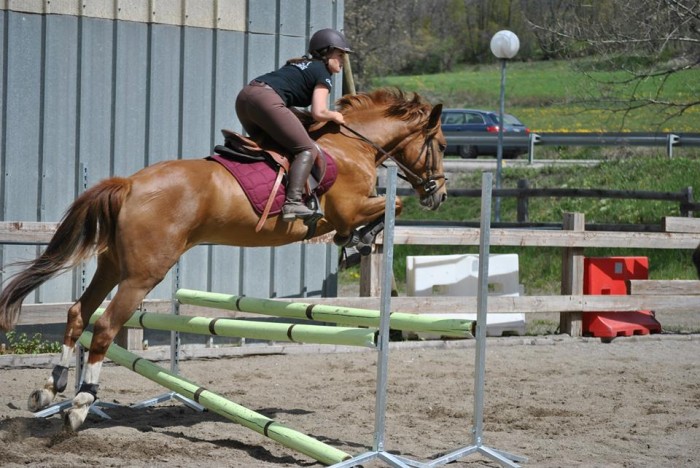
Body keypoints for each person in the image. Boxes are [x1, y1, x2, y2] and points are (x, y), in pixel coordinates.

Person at [235, 28, 352, 222]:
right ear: (326, 52)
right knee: (306, 149)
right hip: (266, 100)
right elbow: (319, 112)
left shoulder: (303, 65)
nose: (342, 60)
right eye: (339, 54)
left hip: (245, 98)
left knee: (275, 147)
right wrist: (335, 115)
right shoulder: (323, 72)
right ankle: (292, 202)